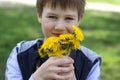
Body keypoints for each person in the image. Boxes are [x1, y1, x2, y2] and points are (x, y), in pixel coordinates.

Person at [5, 0, 102, 80]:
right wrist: (36, 78)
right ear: (39, 15)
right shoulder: (20, 54)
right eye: (52, 17)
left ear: (79, 19)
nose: (59, 27)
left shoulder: (91, 62)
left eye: (68, 18)